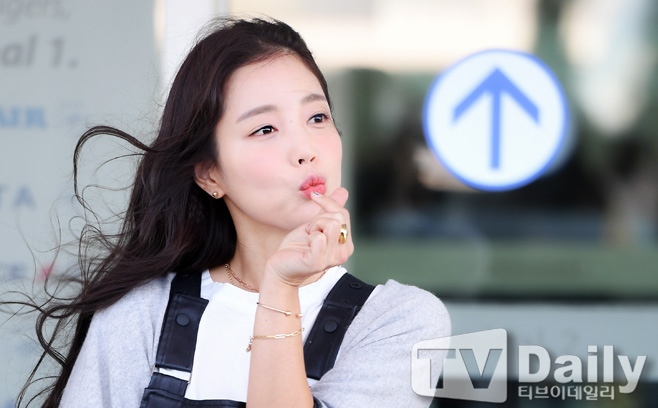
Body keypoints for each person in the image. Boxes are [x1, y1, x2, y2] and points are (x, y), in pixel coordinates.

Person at [22, 17, 450, 408]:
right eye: (265, 129)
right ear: (209, 174)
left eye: (317, 117)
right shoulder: (141, 311)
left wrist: (280, 288)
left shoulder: (399, 321)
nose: (305, 149)